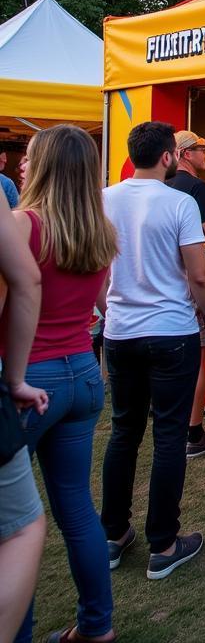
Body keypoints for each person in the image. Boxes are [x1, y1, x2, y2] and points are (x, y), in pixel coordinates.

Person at [8, 126, 118, 643]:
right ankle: (97, 627)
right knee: (75, 507)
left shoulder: (22, 226)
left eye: (30, 157)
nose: (22, 165)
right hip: (83, 373)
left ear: (47, 164)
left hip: (30, 380)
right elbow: (100, 303)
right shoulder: (100, 231)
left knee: (14, 528)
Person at [101, 121, 205, 581]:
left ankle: (112, 535)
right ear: (169, 156)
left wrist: (105, 307)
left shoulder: (106, 198)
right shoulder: (180, 202)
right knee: (168, 434)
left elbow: (98, 266)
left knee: (124, 430)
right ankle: (164, 543)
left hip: (121, 330)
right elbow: (199, 273)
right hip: (171, 329)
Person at [0, 194, 45, 643]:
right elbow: (24, 280)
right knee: (23, 526)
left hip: (40, 370)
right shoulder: (95, 225)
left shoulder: (24, 222)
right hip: (70, 371)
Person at [167, 130, 205, 460]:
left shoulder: (162, 184)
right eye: (204, 149)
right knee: (199, 361)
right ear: (187, 154)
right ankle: (194, 432)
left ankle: (175, 427)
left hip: (164, 284)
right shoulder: (196, 187)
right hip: (189, 283)